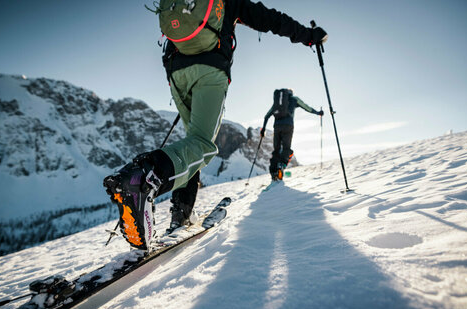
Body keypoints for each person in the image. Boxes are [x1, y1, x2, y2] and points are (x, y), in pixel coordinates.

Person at [103, 0, 328, 253]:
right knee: (201, 144)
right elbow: (271, 20)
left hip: (176, 71)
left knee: (191, 142)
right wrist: (309, 36)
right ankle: (143, 178)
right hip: (209, 70)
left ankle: (181, 214)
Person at [261, 88, 323, 181]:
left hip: (277, 127)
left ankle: (273, 173)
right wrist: (318, 113)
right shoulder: (294, 99)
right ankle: (281, 167)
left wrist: (263, 129)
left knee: (276, 150)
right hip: (288, 126)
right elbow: (307, 108)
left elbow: (267, 116)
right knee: (286, 148)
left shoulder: (277, 103)